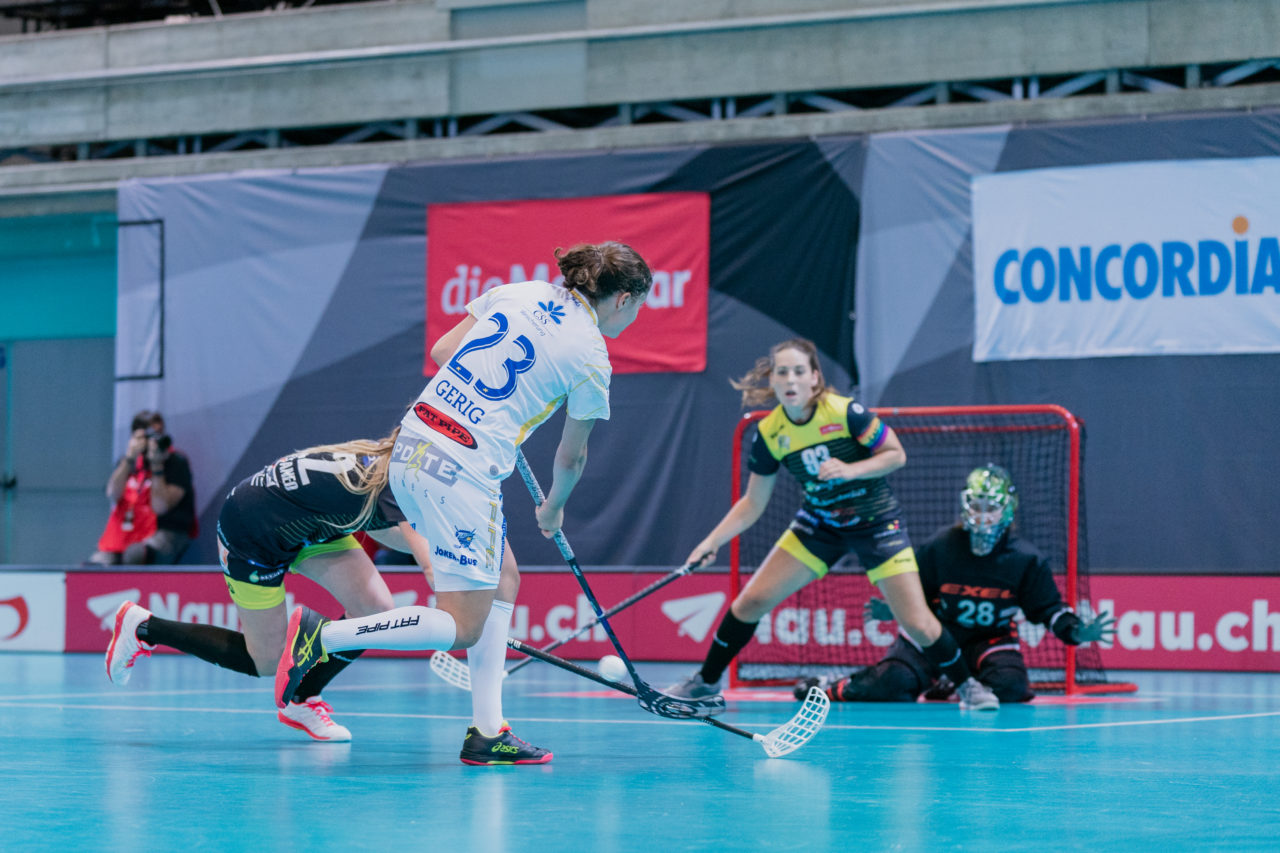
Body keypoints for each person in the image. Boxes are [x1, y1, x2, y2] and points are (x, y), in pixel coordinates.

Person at [274, 241, 654, 765]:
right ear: (624, 298)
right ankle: (326, 636)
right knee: (463, 624)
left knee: (505, 578)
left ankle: (487, 731)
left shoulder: (522, 290)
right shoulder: (592, 354)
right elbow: (572, 456)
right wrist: (554, 508)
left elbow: (441, 354)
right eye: (638, 308)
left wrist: (493, 408)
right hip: (463, 470)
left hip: (410, 442)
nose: (635, 318)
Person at [665, 338, 1001, 711]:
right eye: (781, 372)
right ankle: (705, 684)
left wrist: (850, 469)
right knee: (751, 602)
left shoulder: (845, 413)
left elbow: (896, 455)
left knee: (919, 623)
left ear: (813, 378)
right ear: (772, 381)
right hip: (819, 526)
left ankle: (969, 687)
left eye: (798, 371)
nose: (790, 379)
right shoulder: (770, 434)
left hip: (876, 524)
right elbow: (753, 503)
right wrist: (711, 542)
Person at [105, 429, 436, 742]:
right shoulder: (396, 481)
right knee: (265, 662)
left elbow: (383, 528)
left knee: (375, 610)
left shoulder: (382, 460)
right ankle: (144, 628)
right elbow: (431, 564)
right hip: (250, 530)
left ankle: (302, 701)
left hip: (313, 524)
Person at [800, 464, 1117, 704]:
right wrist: (895, 607)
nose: (982, 515)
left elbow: (1048, 609)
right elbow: (914, 593)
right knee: (893, 682)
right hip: (936, 635)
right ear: (965, 504)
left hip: (988, 639)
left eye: (990, 507)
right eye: (976, 505)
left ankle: (950, 685)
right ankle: (829, 686)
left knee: (1012, 686)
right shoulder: (942, 546)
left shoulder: (1025, 559)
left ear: (1007, 508)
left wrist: (1076, 631)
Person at [88, 410, 196, 565]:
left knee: (135, 554)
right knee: (95, 566)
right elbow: (112, 494)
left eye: (159, 434)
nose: (155, 440)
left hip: (165, 530)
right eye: (150, 436)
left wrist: (157, 466)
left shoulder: (176, 462)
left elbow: (160, 507)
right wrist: (129, 459)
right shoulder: (128, 462)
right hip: (127, 531)